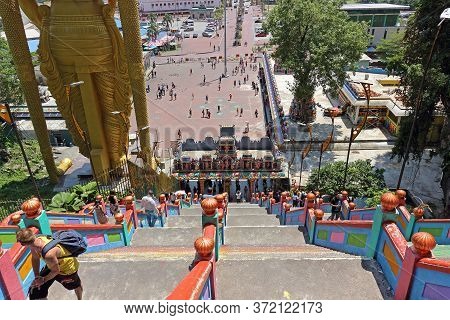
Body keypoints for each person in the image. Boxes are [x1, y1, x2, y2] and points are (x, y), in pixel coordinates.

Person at [16, 228, 83, 300]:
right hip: (52, 266)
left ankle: (80, 299)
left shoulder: (49, 255)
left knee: (75, 286)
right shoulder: (35, 241)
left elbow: (56, 271)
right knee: (36, 291)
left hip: (66, 270)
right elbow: (35, 258)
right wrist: (37, 276)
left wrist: (43, 280)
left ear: (24, 244)